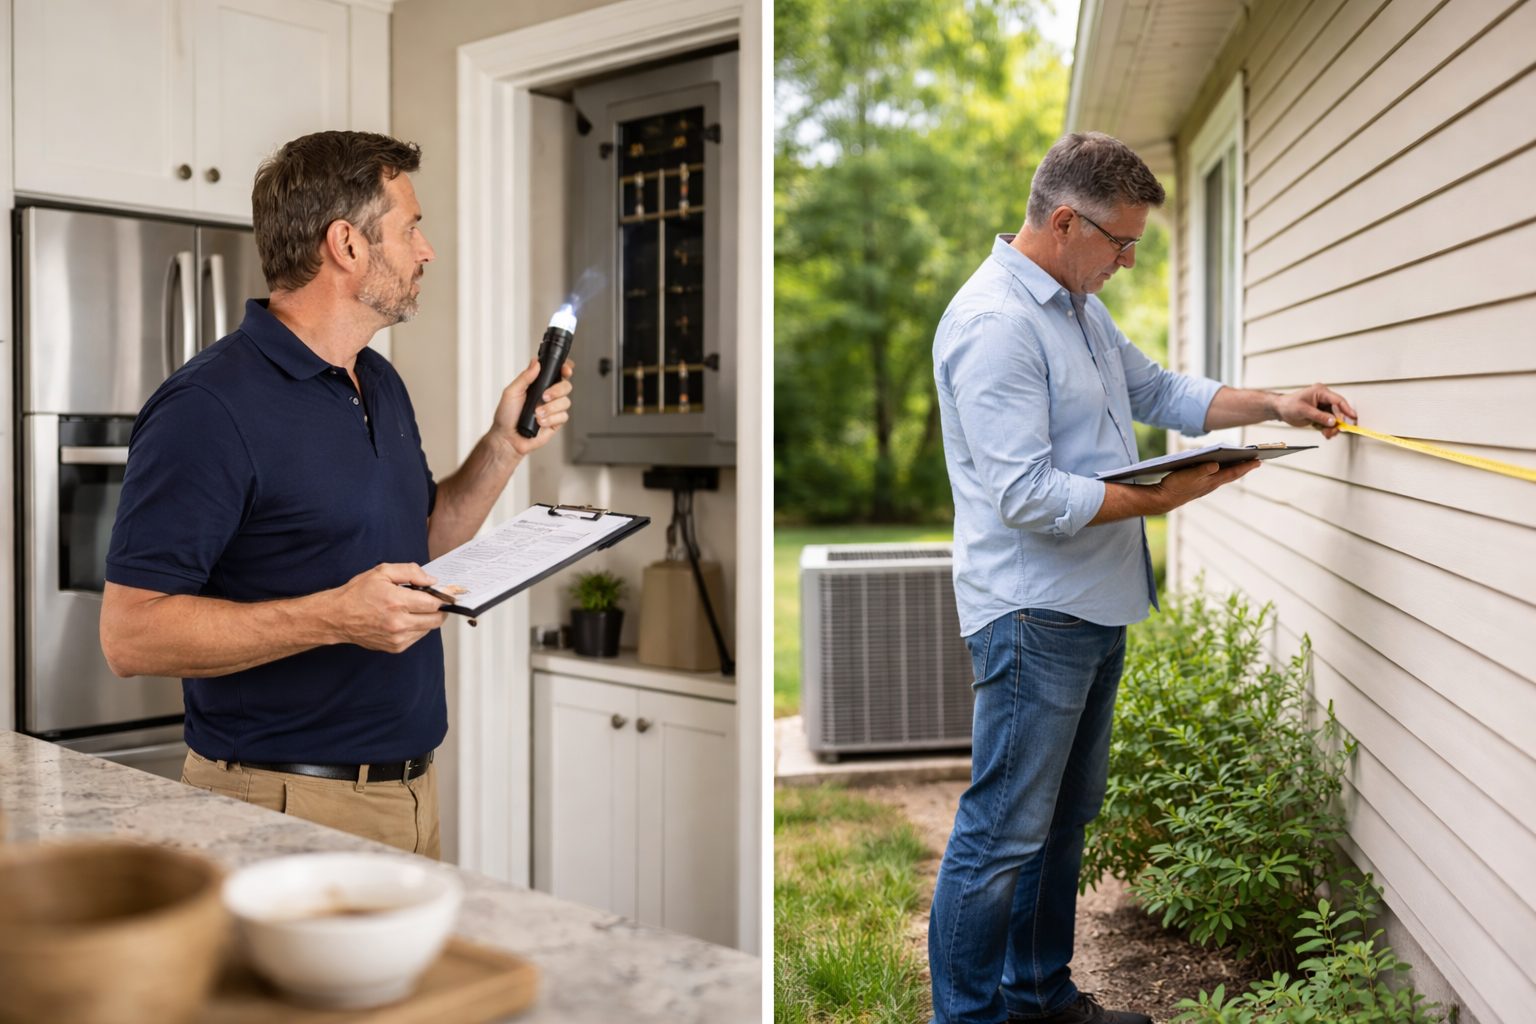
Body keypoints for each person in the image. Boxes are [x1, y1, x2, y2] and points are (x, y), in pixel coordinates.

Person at [928, 131, 1357, 1024]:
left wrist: (1275, 403)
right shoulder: (996, 325)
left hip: (1091, 604)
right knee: (1002, 835)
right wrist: (1166, 497)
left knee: (1062, 822)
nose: (1128, 261)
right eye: (1120, 243)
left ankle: (1039, 996)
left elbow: (1158, 391)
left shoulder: (1077, 307)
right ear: (1063, 220)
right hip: (1030, 613)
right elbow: (1025, 495)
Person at [100, 131, 573, 860]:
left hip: (409, 794)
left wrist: (503, 446)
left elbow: (421, 540)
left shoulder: (377, 381)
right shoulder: (208, 406)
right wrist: (333, 618)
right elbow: (130, 636)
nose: (426, 251)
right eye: (411, 226)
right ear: (347, 245)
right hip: (279, 803)